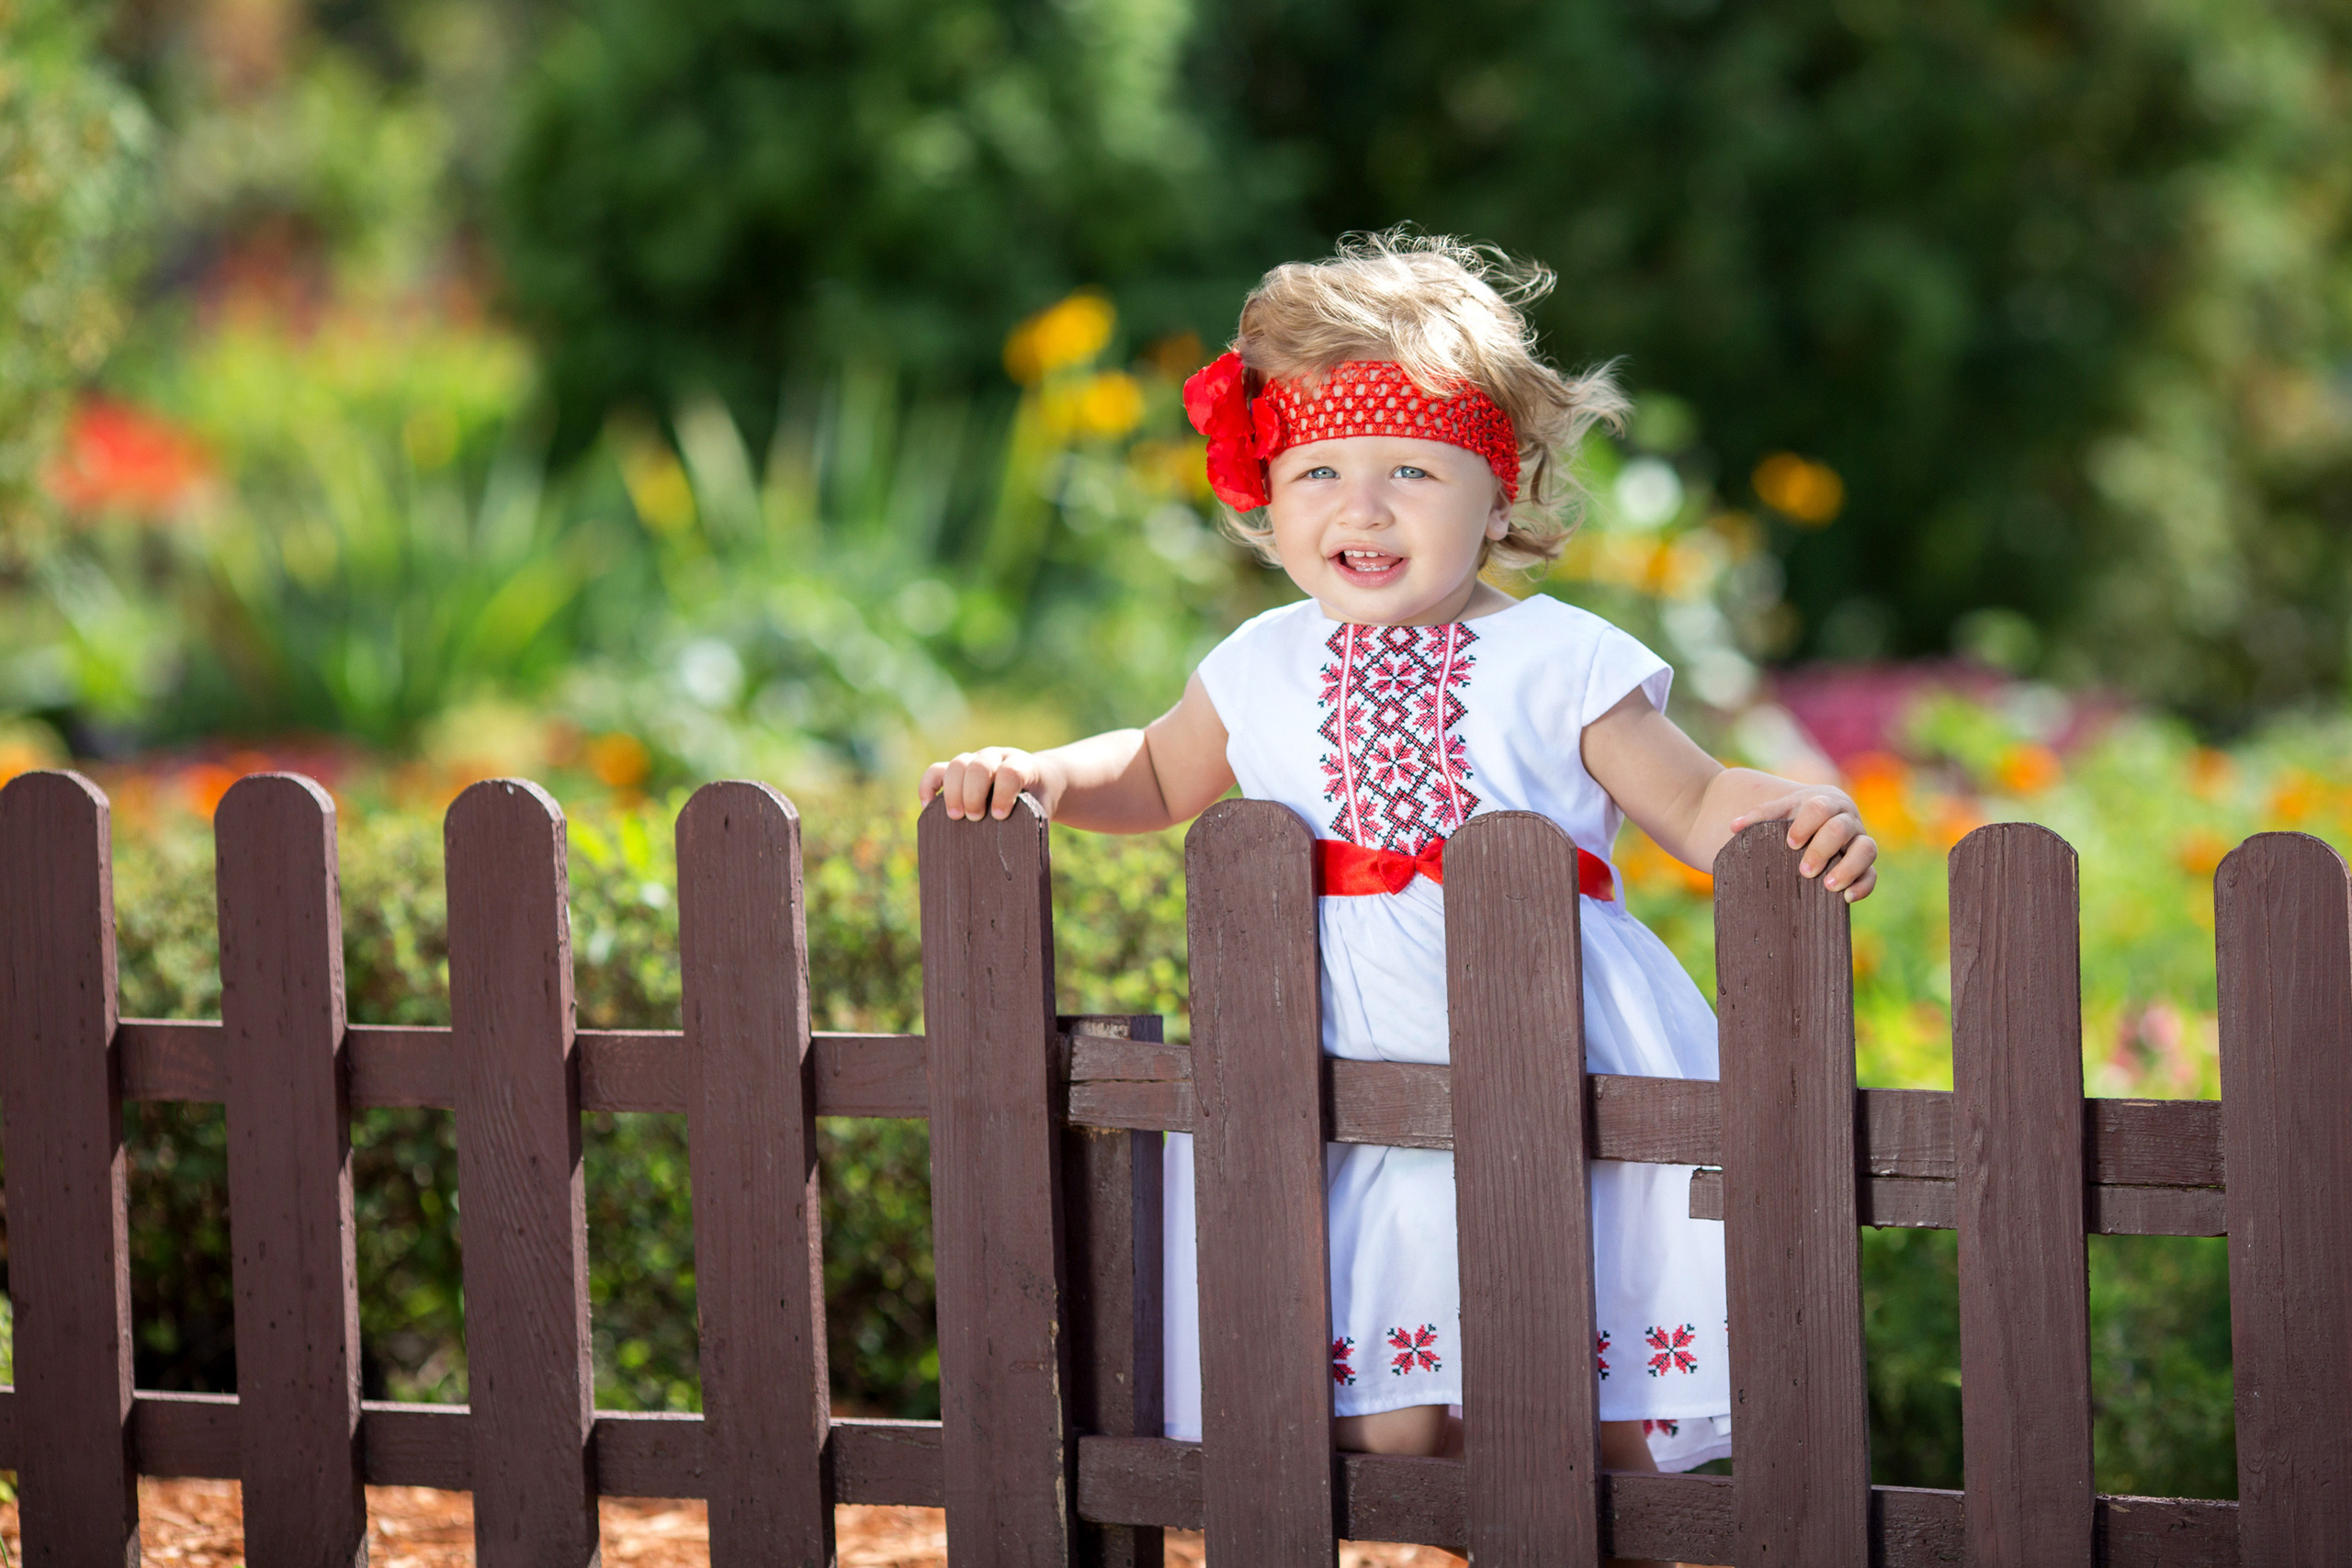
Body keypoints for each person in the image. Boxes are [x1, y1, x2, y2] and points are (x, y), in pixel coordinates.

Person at [919, 231, 1876, 1567]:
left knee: (1567, 1367)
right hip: (1327, 1068)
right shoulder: (1258, 662)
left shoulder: (1561, 659)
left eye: (1410, 471)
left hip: (1548, 1047)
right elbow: (1151, 769)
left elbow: (1695, 799)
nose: (1359, 511)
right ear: (1268, 495)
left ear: (1499, 491)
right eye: (1317, 472)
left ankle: (1608, 1541)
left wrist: (1787, 816)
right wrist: (1037, 776)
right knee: (1388, 1401)